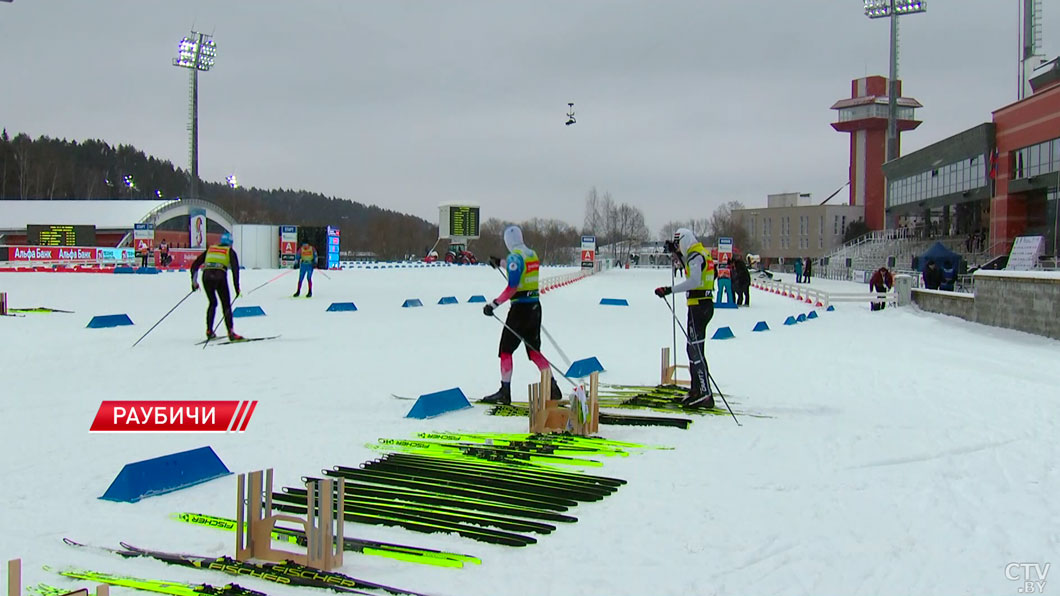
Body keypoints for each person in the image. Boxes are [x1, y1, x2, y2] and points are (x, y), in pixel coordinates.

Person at [480, 225, 562, 405]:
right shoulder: (532, 254)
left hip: (519, 311)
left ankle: (505, 391)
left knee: (505, 351)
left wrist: (493, 304)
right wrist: (500, 262)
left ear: (508, 241)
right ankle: (552, 387)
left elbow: (512, 287)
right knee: (534, 351)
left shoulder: (514, 257)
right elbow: (518, 267)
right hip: (535, 308)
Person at [653, 228, 715, 408]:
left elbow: (694, 281)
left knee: (695, 350)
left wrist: (669, 290)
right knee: (692, 349)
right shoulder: (701, 253)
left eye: (679, 244)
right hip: (700, 305)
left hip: (699, 307)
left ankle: (705, 392)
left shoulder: (696, 255)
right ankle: (697, 389)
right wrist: (677, 255)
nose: (679, 248)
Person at [190, 232, 243, 340]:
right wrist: (236, 288)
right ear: (230, 243)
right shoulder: (230, 251)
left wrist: (194, 283)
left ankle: (209, 331)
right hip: (219, 276)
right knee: (226, 305)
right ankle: (231, 332)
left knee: (212, 303)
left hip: (206, 277)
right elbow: (235, 270)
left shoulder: (211, 249)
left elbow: (194, 265)